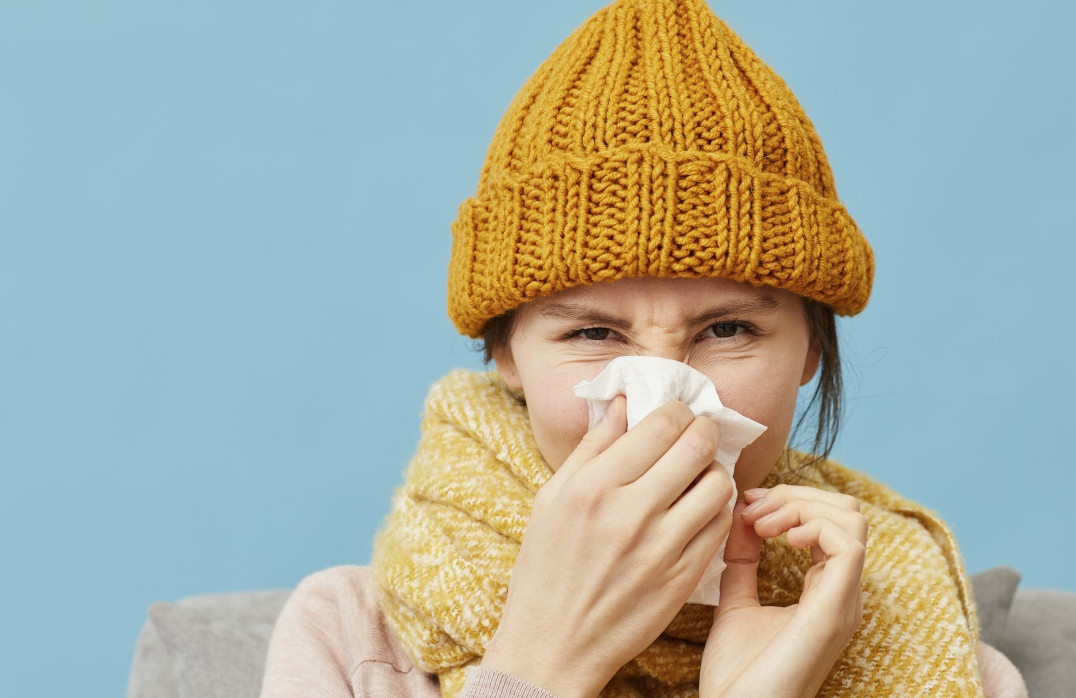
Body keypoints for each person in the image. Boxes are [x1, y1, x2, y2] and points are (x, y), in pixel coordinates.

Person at [260, 0, 1027, 696]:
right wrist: (541, 662)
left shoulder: (944, 659)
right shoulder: (348, 643)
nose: (664, 403)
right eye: (594, 333)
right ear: (505, 354)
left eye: (728, 330)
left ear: (810, 354)